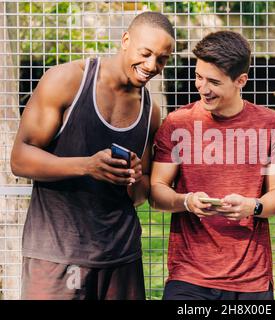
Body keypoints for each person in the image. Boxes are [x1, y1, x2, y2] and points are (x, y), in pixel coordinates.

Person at [10, 12, 174, 300]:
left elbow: (138, 195)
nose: (151, 66)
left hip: (121, 256)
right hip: (57, 254)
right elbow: (20, 159)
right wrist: (87, 166)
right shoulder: (68, 80)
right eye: (145, 53)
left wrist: (134, 176)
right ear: (126, 40)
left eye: (161, 59)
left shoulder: (151, 112)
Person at [150, 31, 275, 300]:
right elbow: (156, 190)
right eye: (199, 76)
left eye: (213, 81)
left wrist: (253, 206)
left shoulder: (270, 125)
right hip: (188, 276)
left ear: (241, 81)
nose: (202, 87)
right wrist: (186, 201)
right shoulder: (178, 123)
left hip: (251, 279)